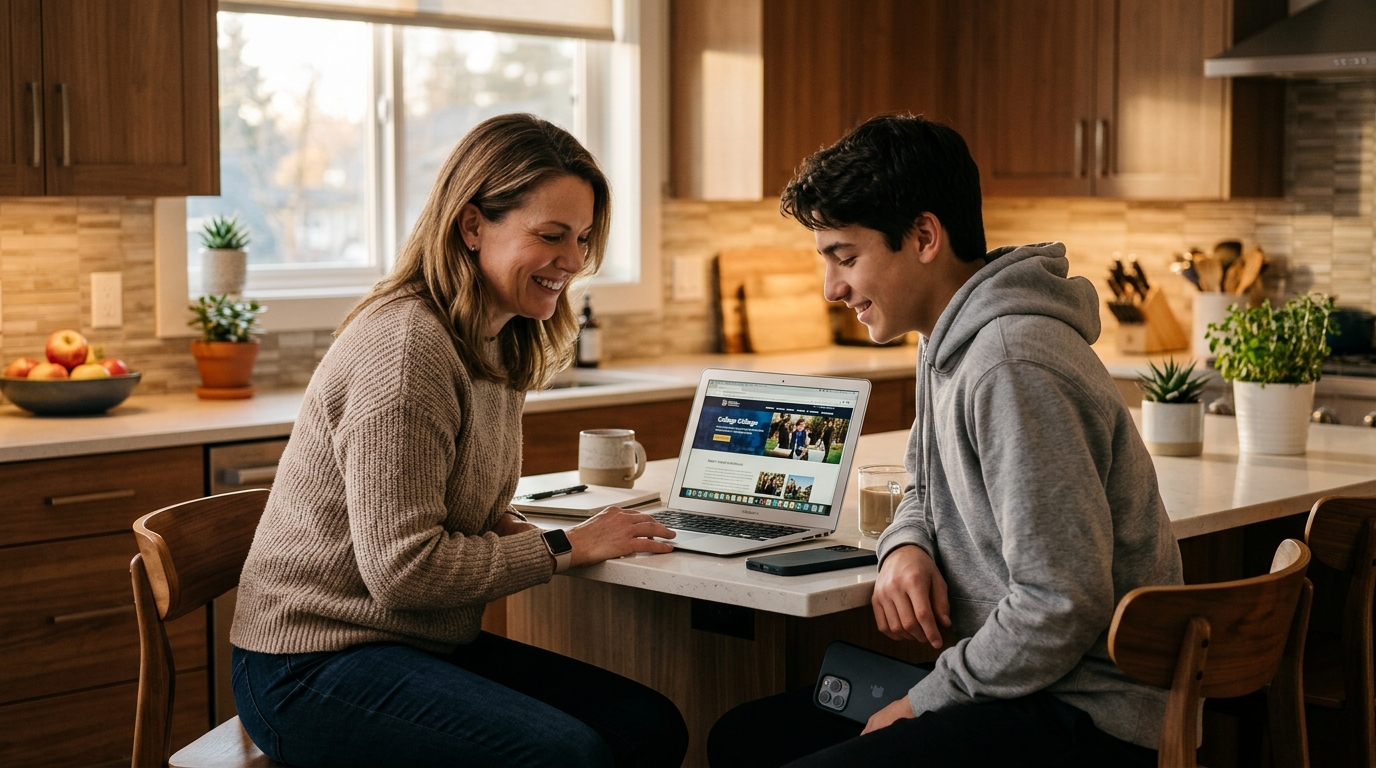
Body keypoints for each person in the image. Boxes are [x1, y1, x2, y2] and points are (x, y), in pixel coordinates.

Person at [706, 114, 1182, 767]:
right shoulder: (947, 337)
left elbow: (1061, 604)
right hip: (1018, 688)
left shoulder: (1012, 364)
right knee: (744, 738)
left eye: (846, 257)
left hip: (1082, 712)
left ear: (925, 236)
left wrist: (925, 700)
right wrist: (904, 547)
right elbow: (921, 487)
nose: (832, 288)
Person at [230, 114, 689, 768]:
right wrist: (566, 545)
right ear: (472, 225)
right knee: (569, 757)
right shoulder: (408, 348)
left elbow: (453, 503)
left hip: (411, 643)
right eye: (551, 235)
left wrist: (520, 529)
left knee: (649, 727)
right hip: (309, 665)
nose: (574, 261)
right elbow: (404, 570)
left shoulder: (497, 337)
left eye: (583, 238)